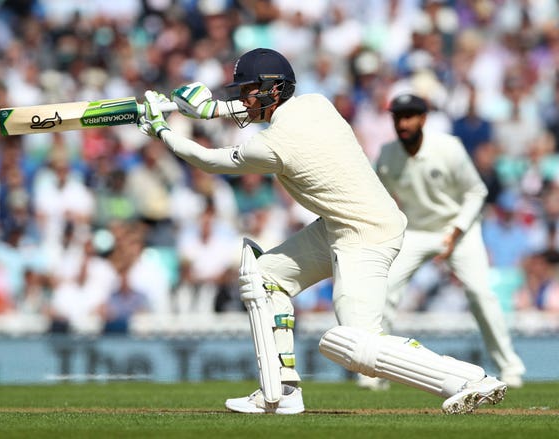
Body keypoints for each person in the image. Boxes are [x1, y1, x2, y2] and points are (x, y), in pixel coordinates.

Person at [138, 48, 508, 415]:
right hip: (339, 225)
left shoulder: (272, 146)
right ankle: (282, 390)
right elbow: (255, 109)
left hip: (366, 233)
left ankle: (467, 379)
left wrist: (163, 130)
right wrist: (210, 108)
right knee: (265, 277)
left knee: (353, 344)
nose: (242, 100)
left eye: (248, 90)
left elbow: (208, 160)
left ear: (273, 89)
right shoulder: (317, 103)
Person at [375, 93, 526, 389]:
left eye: (409, 116)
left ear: (423, 119)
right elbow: (379, 198)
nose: (403, 123)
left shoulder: (449, 148)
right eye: (398, 117)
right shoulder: (387, 155)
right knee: (384, 290)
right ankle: (376, 371)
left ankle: (510, 368)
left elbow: (476, 192)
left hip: (460, 229)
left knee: (481, 294)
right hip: (416, 231)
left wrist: (455, 231)